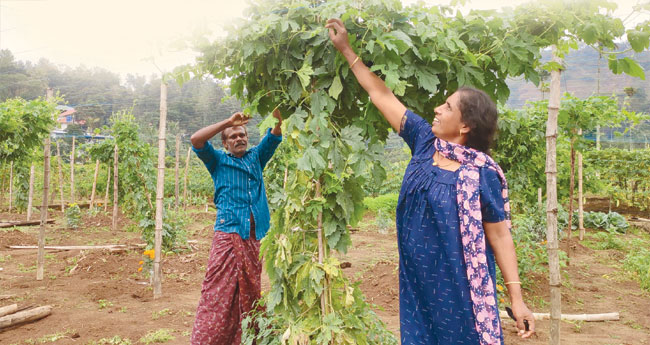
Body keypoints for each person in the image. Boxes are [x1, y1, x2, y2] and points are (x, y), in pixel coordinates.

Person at [326, 18, 535, 345]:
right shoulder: (424, 141)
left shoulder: (482, 173)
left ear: (465, 126)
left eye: (447, 106)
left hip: (459, 291)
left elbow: (499, 235)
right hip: (418, 286)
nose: (437, 109)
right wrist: (346, 49)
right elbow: (381, 94)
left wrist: (517, 298)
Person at [189, 108, 283, 345]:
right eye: (233, 136)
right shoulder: (217, 161)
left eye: (242, 134)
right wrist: (227, 122)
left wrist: (278, 114)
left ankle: (249, 338)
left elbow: (274, 135)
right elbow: (196, 140)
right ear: (225, 143)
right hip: (228, 234)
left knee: (251, 291)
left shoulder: (256, 158)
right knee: (217, 292)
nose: (239, 138)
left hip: (254, 237)